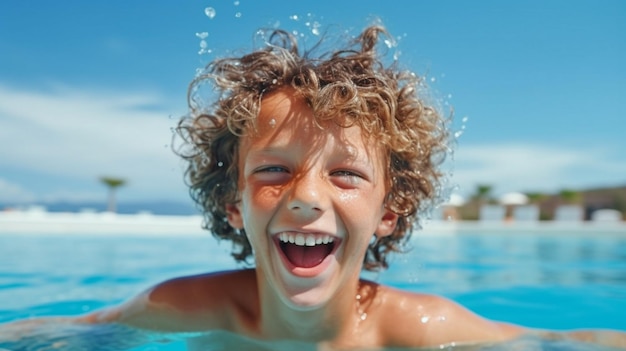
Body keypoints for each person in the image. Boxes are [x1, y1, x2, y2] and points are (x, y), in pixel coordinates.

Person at [1, 25, 625, 351]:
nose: (306, 196)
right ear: (232, 201)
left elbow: (565, 341)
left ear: (390, 210)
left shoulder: (420, 329)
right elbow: (59, 332)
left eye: (347, 174)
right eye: (272, 170)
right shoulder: (181, 309)